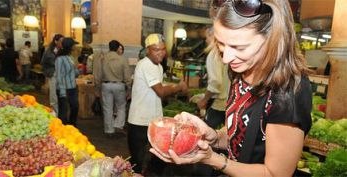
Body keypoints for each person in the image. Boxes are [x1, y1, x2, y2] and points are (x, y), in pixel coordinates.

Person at [150, 1, 312, 177]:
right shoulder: (241, 71)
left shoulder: (288, 91)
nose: (226, 58)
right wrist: (215, 137)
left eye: (239, 47)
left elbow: (275, 174)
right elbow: (242, 138)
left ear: (272, 39)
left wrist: (212, 159)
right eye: (220, 44)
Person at [127, 33, 188, 174]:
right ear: (148, 50)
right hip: (139, 120)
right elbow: (160, 91)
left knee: (159, 155)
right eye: (156, 49)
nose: (160, 53)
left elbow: (157, 91)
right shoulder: (146, 65)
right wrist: (178, 87)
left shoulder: (158, 67)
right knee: (137, 160)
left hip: (153, 119)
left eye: (163, 49)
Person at [94, 40, 131, 136]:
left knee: (107, 108)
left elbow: (98, 75)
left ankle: (109, 130)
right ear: (118, 47)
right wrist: (129, 88)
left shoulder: (103, 59)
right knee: (121, 107)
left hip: (106, 85)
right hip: (119, 85)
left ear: (109, 47)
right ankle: (118, 125)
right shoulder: (122, 59)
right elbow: (127, 76)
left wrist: (97, 88)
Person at [197, 27, 229, 129]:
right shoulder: (225, 52)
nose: (206, 40)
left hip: (218, 104)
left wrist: (204, 100)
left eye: (207, 37)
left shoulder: (213, 54)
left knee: (207, 135)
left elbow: (215, 82)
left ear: (213, 36)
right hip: (229, 103)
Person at [55, 37, 79, 126]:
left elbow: (74, 72)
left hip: (72, 87)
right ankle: (63, 128)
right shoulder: (59, 59)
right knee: (63, 111)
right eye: (74, 45)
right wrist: (62, 92)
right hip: (64, 89)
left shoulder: (70, 57)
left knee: (75, 107)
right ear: (70, 46)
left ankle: (72, 125)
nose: (75, 47)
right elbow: (59, 76)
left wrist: (77, 70)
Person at [41, 34, 64, 114]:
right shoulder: (49, 51)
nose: (62, 43)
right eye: (61, 41)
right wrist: (48, 73)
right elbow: (43, 62)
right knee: (53, 95)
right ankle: (55, 113)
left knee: (61, 95)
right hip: (53, 75)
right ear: (56, 41)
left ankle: (61, 114)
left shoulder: (62, 51)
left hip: (61, 76)